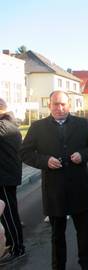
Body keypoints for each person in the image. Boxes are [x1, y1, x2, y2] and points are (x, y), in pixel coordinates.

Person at [20, 91, 88, 270]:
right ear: (49, 105)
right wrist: (44, 161)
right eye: (55, 104)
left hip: (79, 187)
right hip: (54, 189)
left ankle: (85, 264)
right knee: (57, 234)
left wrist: (83, 155)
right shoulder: (37, 127)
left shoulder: (81, 124)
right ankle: (58, 266)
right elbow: (24, 153)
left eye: (63, 104)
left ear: (69, 105)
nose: (59, 108)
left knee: (84, 232)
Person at [0, 98, 25, 265]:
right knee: (9, 214)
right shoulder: (10, 124)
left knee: (8, 215)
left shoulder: (2, 126)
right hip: (8, 175)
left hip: (4, 177)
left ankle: (17, 248)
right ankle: (13, 244)